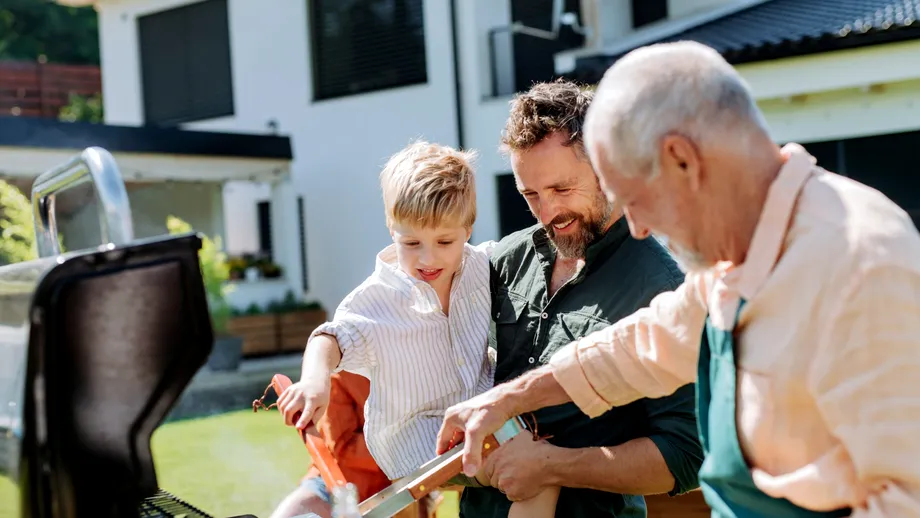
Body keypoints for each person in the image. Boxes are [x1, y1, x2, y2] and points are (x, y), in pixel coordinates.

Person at [437, 40, 920, 517]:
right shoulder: (740, 255)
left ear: (682, 159)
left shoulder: (861, 265)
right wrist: (505, 400)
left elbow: (905, 497)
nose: (640, 227)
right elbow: (644, 346)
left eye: (636, 197)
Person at [454, 80, 703, 518]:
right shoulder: (508, 258)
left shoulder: (664, 288)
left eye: (562, 190)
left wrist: (555, 468)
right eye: (530, 195)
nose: (547, 214)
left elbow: (684, 454)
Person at [275, 141, 559, 517]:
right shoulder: (377, 300)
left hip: (477, 416)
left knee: (545, 456)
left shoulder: (482, 265)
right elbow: (330, 337)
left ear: (468, 228)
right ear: (392, 229)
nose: (428, 258)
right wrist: (315, 380)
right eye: (411, 243)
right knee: (533, 474)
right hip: (417, 441)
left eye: (445, 241)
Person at [270, 372, 391, 518]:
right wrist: (397, 445)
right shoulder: (341, 373)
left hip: (395, 486)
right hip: (334, 485)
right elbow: (343, 447)